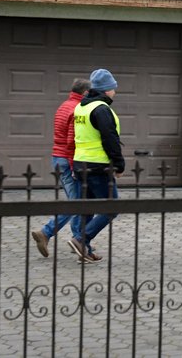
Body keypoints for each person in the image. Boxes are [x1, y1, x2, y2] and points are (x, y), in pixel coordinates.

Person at [68, 68, 124, 263]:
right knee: (111, 207)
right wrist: (119, 164)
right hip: (98, 166)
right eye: (113, 88)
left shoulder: (81, 107)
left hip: (80, 164)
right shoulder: (101, 109)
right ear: (106, 89)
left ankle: (84, 250)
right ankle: (81, 240)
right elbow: (110, 139)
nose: (115, 92)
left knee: (88, 208)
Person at [31, 78, 91, 258]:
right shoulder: (76, 109)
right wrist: (74, 166)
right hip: (68, 159)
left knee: (77, 200)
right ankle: (46, 233)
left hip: (58, 158)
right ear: (85, 93)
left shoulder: (64, 105)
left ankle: (77, 240)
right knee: (76, 204)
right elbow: (71, 141)